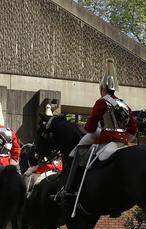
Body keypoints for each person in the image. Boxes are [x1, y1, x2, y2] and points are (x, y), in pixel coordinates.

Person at [55, 59, 136, 202]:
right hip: (123, 141)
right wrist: (124, 139)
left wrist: (87, 129)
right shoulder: (124, 104)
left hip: (107, 138)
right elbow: (133, 129)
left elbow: (90, 127)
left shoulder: (102, 102)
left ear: (103, 88)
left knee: (78, 151)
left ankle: (70, 189)